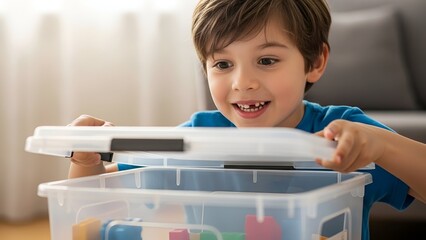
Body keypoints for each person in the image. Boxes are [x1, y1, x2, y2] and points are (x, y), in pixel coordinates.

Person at [67, 0, 425, 239]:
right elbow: (99, 209)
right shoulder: (197, 135)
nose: (243, 83)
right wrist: (86, 159)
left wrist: (382, 145)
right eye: (223, 64)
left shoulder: (343, 134)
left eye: (267, 60)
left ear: (314, 62)